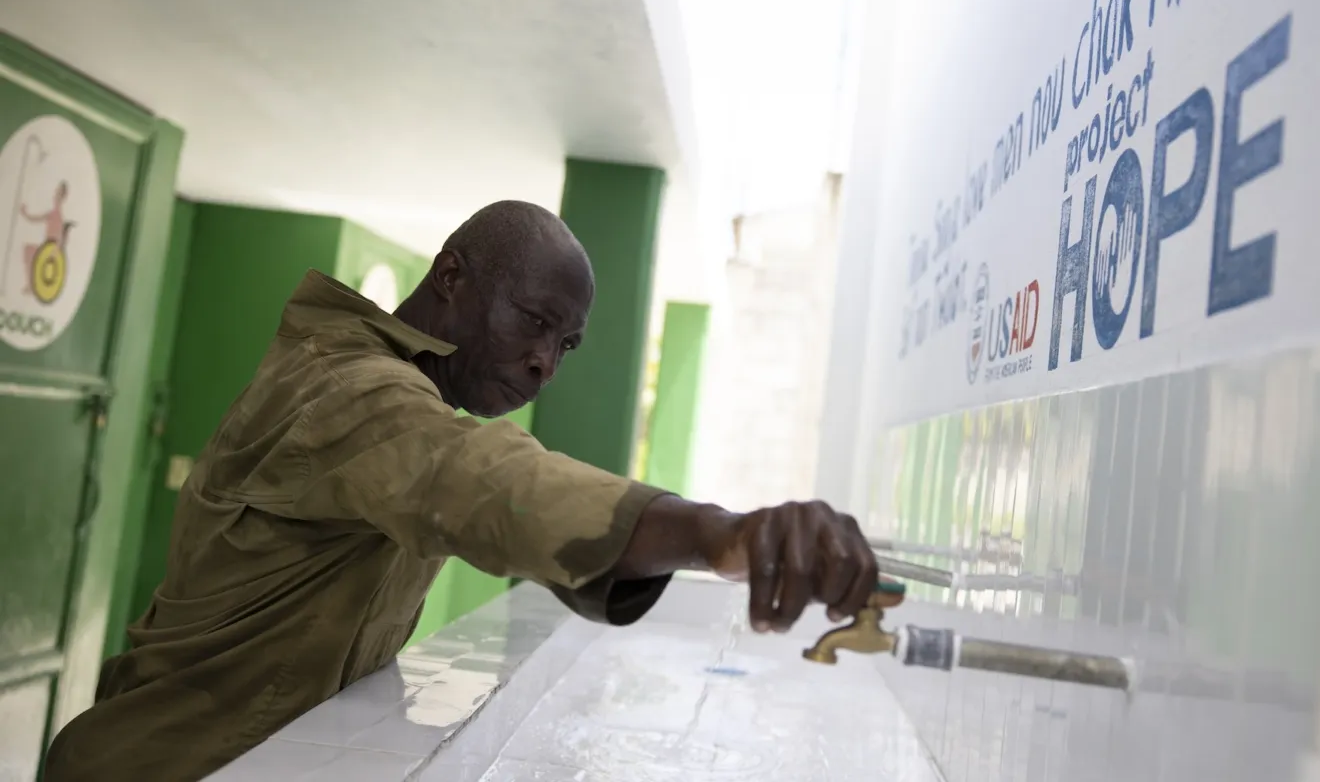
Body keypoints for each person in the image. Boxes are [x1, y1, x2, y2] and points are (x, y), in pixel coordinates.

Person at [45, 200, 887, 781]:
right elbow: (488, 483)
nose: (543, 364)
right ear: (452, 275)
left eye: (568, 346)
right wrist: (718, 532)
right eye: (533, 321)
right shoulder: (348, 392)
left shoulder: (388, 390)